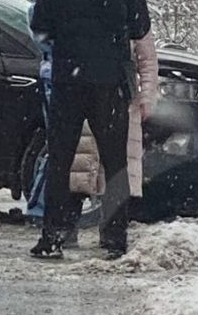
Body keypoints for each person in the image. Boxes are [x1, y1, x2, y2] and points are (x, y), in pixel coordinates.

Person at [29, 0, 151, 260]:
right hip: (111, 82)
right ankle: (114, 238)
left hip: (69, 81)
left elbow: (40, 28)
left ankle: (53, 235)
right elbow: (141, 27)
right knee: (115, 163)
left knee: (60, 159)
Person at [65, 30, 159, 246]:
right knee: (79, 168)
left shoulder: (130, 16)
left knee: (115, 170)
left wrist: (147, 96)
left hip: (121, 98)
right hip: (90, 93)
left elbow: (148, 59)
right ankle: (68, 226)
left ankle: (111, 232)